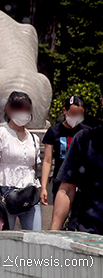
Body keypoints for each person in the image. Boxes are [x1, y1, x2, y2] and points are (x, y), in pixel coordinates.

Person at [0, 91, 42, 230]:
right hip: (6, 192)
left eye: (27, 109)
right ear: (9, 109)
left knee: (34, 238)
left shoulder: (34, 138)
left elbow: (33, 167)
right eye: (19, 108)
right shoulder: (0, 133)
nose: (23, 113)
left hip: (30, 193)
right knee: (5, 238)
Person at [51, 91, 103, 234]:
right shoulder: (85, 140)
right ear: (102, 102)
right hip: (90, 235)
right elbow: (67, 189)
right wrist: (53, 235)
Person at [40, 95, 91, 229]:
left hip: (82, 182)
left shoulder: (87, 132)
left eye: (79, 114)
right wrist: (43, 186)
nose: (76, 117)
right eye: (73, 113)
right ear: (65, 111)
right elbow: (47, 160)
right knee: (59, 217)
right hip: (61, 181)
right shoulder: (54, 131)